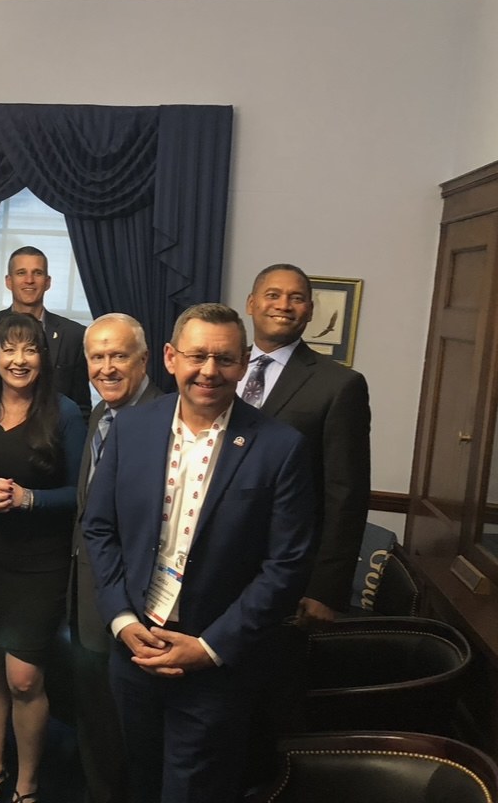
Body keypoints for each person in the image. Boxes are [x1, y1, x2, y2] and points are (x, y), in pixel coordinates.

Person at [83, 303, 316, 803]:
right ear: (170, 358)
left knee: (195, 791)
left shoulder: (280, 447)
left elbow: (286, 566)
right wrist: (122, 620)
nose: (209, 371)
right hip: (135, 650)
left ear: (243, 362)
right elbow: (99, 529)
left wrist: (210, 647)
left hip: (216, 662)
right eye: (197, 356)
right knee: (138, 781)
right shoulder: (130, 429)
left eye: (224, 359)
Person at [0, 313, 85, 803]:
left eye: (29, 349)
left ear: (43, 357)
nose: (18, 360)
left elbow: (82, 493)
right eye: (8, 349)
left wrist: (30, 499)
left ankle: (28, 783)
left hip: (40, 562)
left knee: (24, 676)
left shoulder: (66, 412)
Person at [242, 263, 371, 622]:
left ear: (310, 311)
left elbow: (346, 494)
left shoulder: (339, 385)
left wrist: (325, 589)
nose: (284, 305)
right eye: (273, 295)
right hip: (211, 565)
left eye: (296, 298)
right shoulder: (219, 369)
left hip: (286, 572)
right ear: (251, 304)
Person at [71, 313, 159, 803]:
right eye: (97, 357)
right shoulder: (97, 416)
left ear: (144, 360)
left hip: (137, 604)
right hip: (87, 594)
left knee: (133, 730)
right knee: (97, 718)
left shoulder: (166, 417)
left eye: (118, 356)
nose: (107, 367)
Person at [0, 246, 91, 418]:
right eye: (21, 273)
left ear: (48, 282)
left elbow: (81, 408)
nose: (29, 280)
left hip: (56, 438)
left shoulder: (74, 335)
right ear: (8, 281)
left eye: (37, 273)